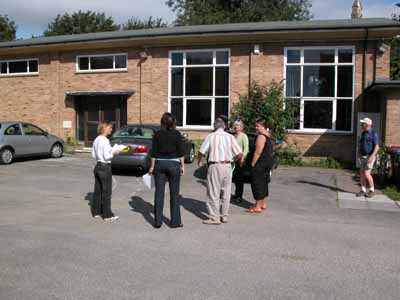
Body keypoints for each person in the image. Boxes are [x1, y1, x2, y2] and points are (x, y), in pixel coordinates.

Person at [198, 119, 243, 225]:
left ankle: (214, 217)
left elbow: (201, 151)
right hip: (227, 166)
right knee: (226, 192)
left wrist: (199, 162)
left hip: (215, 165)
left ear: (215, 127)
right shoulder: (230, 137)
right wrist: (232, 160)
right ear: (224, 126)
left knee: (213, 192)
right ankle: (224, 216)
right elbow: (240, 154)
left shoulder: (211, 136)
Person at [149, 112, 185, 228]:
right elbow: (181, 152)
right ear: (173, 122)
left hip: (159, 164)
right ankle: (175, 222)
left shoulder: (157, 134)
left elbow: (153, 153)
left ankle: (158, 221)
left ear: (162, 122)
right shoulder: (177, 134)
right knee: (174, 194)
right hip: (174, 164)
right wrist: (182, 166)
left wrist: (152, 167)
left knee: (159, 193)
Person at [92, 122, 120, 220]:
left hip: (98, 165)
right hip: (105, 167)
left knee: (98, 191)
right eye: (110, 128)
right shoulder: (105, 140)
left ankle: (96, 212)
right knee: (106, 191)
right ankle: (107, 215)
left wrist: (110, 151)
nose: (111, 129)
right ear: (104, 128)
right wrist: (114, 152)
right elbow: (107, 156)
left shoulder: (96, 139)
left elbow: (94, 155)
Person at [247, 118, 274, 213]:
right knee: (263, 183)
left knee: (257, 183)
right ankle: (262, 203)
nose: (256, 127)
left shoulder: (261, 137)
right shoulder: (268, 135)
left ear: (263, 126)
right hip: (267, 163)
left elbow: (258, 152)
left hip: (260, 163)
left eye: (257, 126)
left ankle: (257, 207)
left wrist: (253, 163)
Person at [356, 117, 380, 198]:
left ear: (367, 125)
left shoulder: (374, 133)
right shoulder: (363, 133)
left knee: (367, 173)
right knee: (362, 174)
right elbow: (360, 144)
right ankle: (363, 190)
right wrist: (358, 153)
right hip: (362, 156)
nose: (361, 125)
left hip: (370, 156)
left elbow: (377, 147)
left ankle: (372, 190)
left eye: (363, 123)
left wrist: (372, 156)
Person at [231, 120, 249, 203]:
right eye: (235, 125)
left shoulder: (243, 136)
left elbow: (246, 148)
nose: (236, 127)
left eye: (238, 125)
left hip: (240, 160)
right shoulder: (233, 136)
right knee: (235, 179)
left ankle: (239, 197)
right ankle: (236, 194)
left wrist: (243, 158)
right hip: (233, 160)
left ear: (241, 127)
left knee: (239, 179)